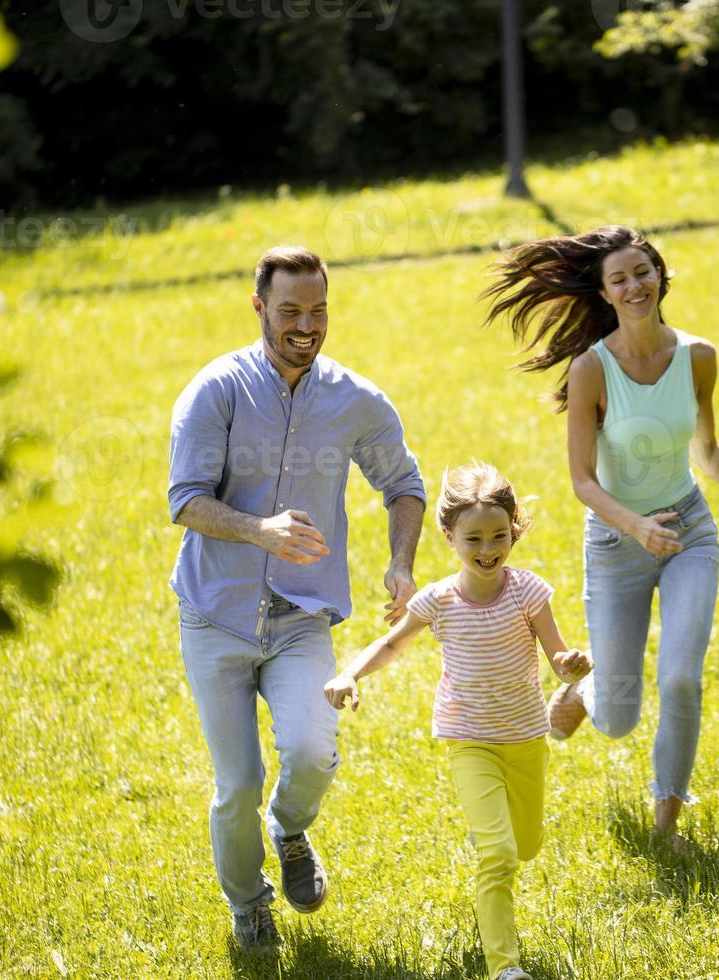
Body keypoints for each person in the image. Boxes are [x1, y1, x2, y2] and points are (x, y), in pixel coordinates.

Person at [481, 226, 719, 851]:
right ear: (606, 291)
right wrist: (635, 525)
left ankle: (667, 817)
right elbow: (583, 482)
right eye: (619, 278)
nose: (634, 285)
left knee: (680, 677)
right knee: (618, 718)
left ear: (660, 277)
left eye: (642, 272)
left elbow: (708, 452)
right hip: (618, 546)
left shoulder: (698, 356)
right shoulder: (592, 369)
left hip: (689, 532)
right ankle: (590, 692)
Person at [168, 245, 427, 951]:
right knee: (236, 784)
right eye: (289, 311)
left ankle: (289, 829)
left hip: (300, 617)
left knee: (312, 752)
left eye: (317, 310)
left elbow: (404, 484)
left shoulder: (354, 400)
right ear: (259, 307)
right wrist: (260, 530)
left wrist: (400, 565)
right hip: (215, 615)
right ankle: (249, 905)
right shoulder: (216, 390)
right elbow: (185, 501)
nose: (305, 324)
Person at [324, 462, 592, 980]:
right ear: (449, 537)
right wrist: (350, 674)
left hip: (525, 736)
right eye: (474, 538)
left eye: (498, 536)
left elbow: (557, 656)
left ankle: (491, 831)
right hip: (469, 740)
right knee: (498, 854)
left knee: (526, 845)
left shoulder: (528, 592)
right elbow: (390, 644)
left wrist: (571, 665)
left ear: (514, 530)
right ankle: (505, 967)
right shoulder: (438, 601)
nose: (488, 549)